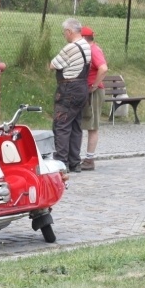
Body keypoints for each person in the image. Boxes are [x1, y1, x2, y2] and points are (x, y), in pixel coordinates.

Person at [48, 18, 91, 173]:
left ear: (69, 31)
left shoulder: (70, 48)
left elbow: (53, 65)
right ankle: (75, 162)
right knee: (76, 126)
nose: (64, 35)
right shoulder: (86, 45)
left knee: (62, 125)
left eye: (64, 32)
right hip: (82, 88)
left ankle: (62, 162)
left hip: (68, 89)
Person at [80, 26, 108, 171]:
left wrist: (94, 85)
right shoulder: (89, 49)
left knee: (92, 125)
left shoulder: (93, 50)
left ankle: (89, 159)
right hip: (88, 91)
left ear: (83, 38)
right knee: (85, 124)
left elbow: (103, 68)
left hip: (94, 93)